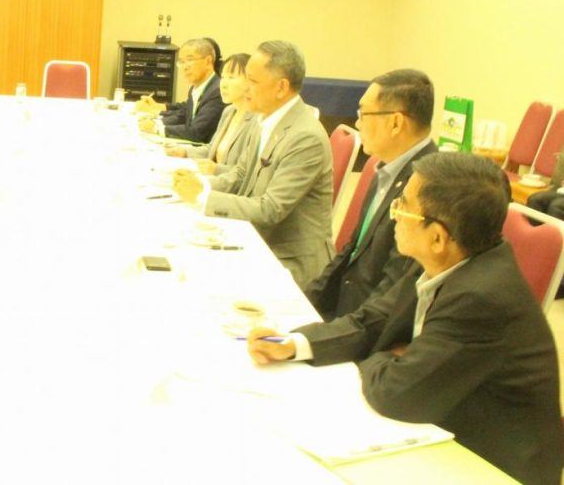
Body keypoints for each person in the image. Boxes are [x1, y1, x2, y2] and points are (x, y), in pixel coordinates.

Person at [247, 152, 564, 485]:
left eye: (403, 206)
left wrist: (383, 357)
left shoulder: (481, 298)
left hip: (492, 465)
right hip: (444, 423)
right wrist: (296, 344)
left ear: (437, 236)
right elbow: (375, 319)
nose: (394, 214)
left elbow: (396, 394)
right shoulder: (445, 256)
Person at [173, 41, 333, 288]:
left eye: (253, 81)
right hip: (255, 237)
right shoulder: (263, 119)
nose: (245, 87)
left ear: (281, 87)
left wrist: (203, 195)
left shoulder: (305, 137)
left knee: (195, 279)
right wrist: (199, 183)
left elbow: (270, 209)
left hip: (288, 259)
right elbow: (240, 174)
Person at [304, 69, 436, 320]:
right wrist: (303, 301)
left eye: (363, 114)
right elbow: (351, 251)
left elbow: (391, 293)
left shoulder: (426, 188)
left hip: (366, 322)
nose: (358, 123)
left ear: (395, 123)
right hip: (346, 309)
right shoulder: (385, 168)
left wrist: (319, 334)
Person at [165, 53, 255, 184]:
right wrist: (184, 151)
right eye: (223, 77)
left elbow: (247, 173)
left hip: (226, 187)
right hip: (209, 179)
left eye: (231, 77)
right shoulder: (229, 111)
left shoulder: (256, 121)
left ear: (251, 82)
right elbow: (212, 148)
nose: (223, 84)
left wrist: (215, 169)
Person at [137, 38, 224, 144]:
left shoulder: (218, 91)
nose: (184, 67)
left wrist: (157, 128)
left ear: (208, 61)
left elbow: (198, 133)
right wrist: (156, 122)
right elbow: (184, 116)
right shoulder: (195, 87)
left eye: (190, 60)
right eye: (181, 62)